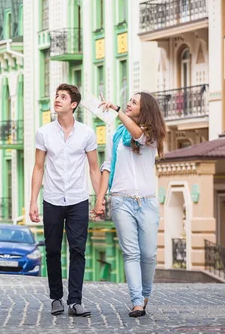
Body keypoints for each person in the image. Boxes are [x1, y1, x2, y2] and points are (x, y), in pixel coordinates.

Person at [29, 83, 101, 317]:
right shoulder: (44, 132)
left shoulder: (87, 133)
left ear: (73, 105)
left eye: (63, 97)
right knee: (52, 250)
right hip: (51, 199)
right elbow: (38, 168)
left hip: (78, 200)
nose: (57, 100)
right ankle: (56, 298)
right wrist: (32, 201)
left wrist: (100, 200)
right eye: (56, 96)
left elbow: (93, 169)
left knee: (78, 250)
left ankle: (75, 302)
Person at [95, 92, 167, 318]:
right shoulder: (116, 136)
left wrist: (117, 111)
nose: (128, 104)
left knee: (149, 255)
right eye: (129, 101)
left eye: (134, 102)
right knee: (131, 253)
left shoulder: (152, 135)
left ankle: (145, 295)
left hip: (146, 202)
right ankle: (137, 302)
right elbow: (107, 167)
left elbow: (137, 134)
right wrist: (99, 199)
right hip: (121, 200)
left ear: (144, 110)